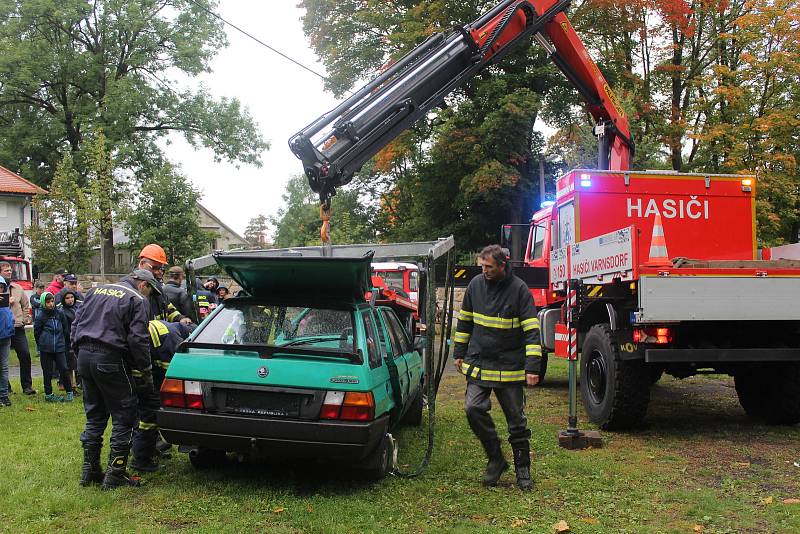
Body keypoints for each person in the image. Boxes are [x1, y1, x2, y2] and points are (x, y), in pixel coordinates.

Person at [452, 245, 542, 491]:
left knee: (517, 423)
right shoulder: (475, 286)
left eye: (489, 267)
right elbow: (465, 322)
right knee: (472, 408)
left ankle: (523, 471)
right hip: (480, 363)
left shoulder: (520, 290)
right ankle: (496, 459)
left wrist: (532, 367)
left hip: (510, 368)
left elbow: (532, 332)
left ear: (503, 265)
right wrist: (459, 353)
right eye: (482, 266)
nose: (484, 271)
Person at [72, 269, 158, 489]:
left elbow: (76, 324)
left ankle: (89, 471)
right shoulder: (137, 299)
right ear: (143, 284)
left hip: (84, 356)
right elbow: (138, 339)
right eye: (150, 291)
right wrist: (145, 369)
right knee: (125, 416)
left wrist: (78, 351)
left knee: (95, 415)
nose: (149, 296)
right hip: (110, 358)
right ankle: (115, 474)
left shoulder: (94, 290)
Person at [130, 319, 193, 472]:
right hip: (139, 375)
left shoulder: (168, 329)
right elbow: (171, 370)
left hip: (138, 371)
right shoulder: (173, 338)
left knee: (143, 413)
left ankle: (149, 449)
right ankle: (141, 459)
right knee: (149, 416)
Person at [0, 261, 36, 395]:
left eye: (10, 270)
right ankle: (6, 387)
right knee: (3, 361)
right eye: (6, 270)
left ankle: (27, 386)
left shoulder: (18, 288)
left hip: (17, 327)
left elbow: (25, 305)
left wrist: (26, 318)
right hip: (3, 328)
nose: (9, 272)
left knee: (25, 355)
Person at [137, 244, 192, 325]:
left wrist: (181, 318)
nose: (158, 273)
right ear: (142, 264)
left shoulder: (156, 286)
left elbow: (168, 308)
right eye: (154, 268)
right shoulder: (131, 290)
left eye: (161, 269)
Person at [33, 292, 73, 402]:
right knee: (47, 372)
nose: (50, 304)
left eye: (52, 301)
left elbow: (65, 329)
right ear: (43, 303)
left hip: (60, 347)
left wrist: (64, 343)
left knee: (64, 369)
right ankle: (49, 394)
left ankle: (69, 392)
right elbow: (37, 332)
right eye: (47, 302)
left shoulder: (60, 313)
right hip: (46, 349)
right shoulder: (40, 316)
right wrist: (41, 344)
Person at [59, 290, 82, 393]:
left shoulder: (77, 308)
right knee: (69, 366)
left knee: (77, 364)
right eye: (67, 298)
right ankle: (70, 387)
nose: (70, 300)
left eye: (71, 297)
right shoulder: (62, 311)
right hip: (68, 341)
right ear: (63, 300)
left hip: (79, 339)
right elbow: (65, 329)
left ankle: (79, 384)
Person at [0, 277, 15, 406]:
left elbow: (9, 318)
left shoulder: (5, 303)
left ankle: (4, 395)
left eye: (1, 288)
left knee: (4, 367)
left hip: (5, 338)